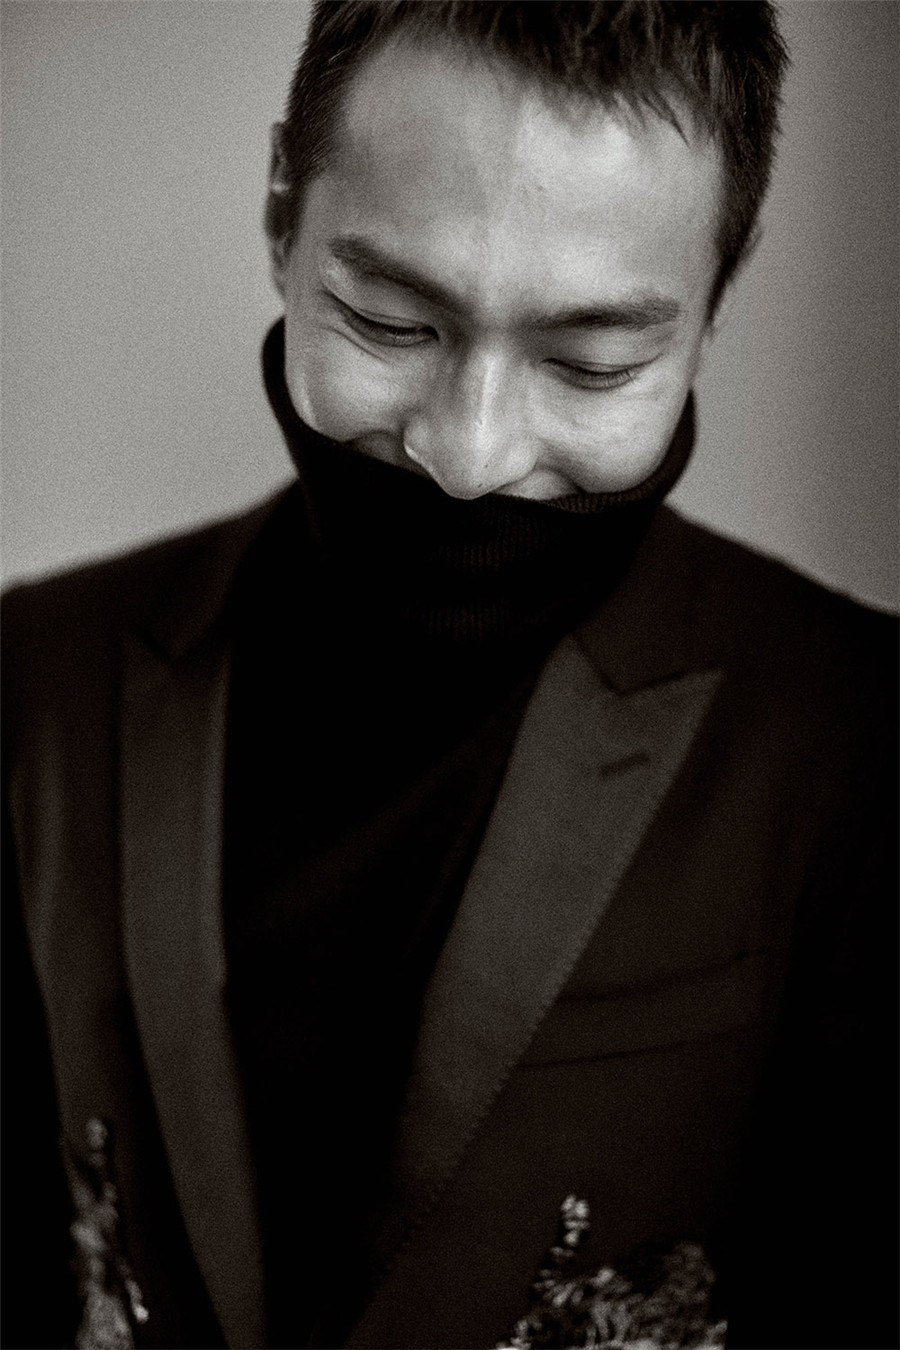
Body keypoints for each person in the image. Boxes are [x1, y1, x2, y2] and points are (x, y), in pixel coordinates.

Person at [2, 3, 896, 1348]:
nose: (469, 458)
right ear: (282, 215)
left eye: (591, 363)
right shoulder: (32, 682)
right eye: (390, 321)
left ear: (718, 294)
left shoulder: (868, 736)